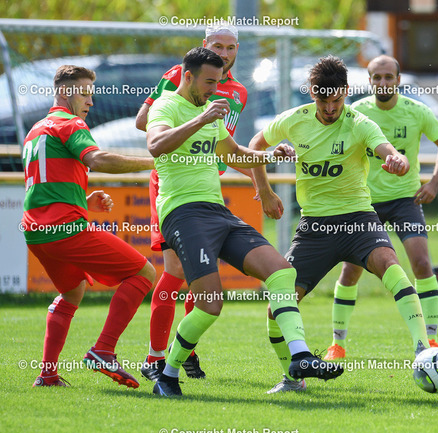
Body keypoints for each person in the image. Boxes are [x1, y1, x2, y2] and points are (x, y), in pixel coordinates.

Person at [147, 47, 344, 397]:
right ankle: (167, 375)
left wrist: (271, 154)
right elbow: (156, 145)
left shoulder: (210, 111)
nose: (215, 89)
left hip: (216, 210)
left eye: (219, 82)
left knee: (282, 271)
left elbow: (234, 153)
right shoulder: (166, 106)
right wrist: (202, 120)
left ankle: (299, 358)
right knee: (210, 305)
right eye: (209, 82)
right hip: (181, 213)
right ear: (187, 76)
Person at [250, 55, 431, 393]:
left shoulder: (359, 123)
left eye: (336, 100)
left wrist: (397, 160)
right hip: (315, 227)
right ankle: (293, 379)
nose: (331, 108)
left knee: (390, 263)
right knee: (278, 306)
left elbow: (388, 151)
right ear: (311, 93)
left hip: (358, 219)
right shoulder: (294, 120)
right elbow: (255, 146)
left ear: (346, 92)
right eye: (323, 101)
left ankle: (423, 349)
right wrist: (265, 190)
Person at [24, 65, 156, 388]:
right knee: (144, 273)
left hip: (35, 231)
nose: (90, 101)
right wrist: (154, 161)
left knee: (72, 291)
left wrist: (84, 199)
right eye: (84, 93)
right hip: (65, 229)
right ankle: (103, 350)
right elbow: (98, 160)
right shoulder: (70, 123)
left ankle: (48, 375)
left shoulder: (35, 130)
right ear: (65, 92)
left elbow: (44, 185)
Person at [135, 23, 252, 382]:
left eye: (230, 48)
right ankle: (155, 357)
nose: (223, 54)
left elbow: (225, 148)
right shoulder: (180, 75)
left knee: (201, 272)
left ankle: (185, 350)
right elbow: (145, 123)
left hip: (207, 188)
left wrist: (262, 182)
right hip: (172, 185)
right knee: (176, 271)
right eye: (217, 46)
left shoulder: (239, 93)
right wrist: (194, 121)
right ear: (204, 45)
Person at [322, 55, 438, 361]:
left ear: (398, 80)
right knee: (351, 270)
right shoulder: (356, 112)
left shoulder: (417, 111)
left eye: (388, 77)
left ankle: (430, 339)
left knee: (422, 263)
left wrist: (434, 183)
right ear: (369, 81)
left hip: (405, 200)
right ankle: (337, 344)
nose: (383, 82)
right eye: (377, 77)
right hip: (364, 203)